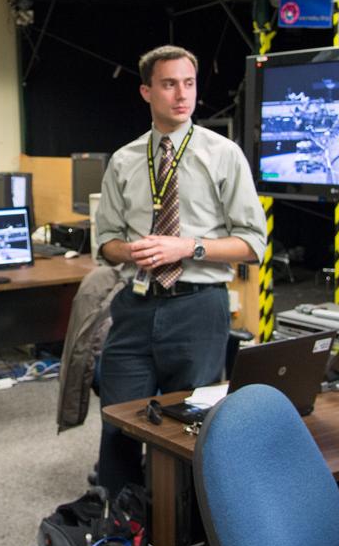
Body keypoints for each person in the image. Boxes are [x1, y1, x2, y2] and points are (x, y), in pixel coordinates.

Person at [93, 45, 265, 495]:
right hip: (135, 307)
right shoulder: (125, 160)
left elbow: (252, 244)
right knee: (119, 422)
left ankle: (181, 537)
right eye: (169, 84)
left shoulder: (223, 154)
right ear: (146, 91)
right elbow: (106, 243)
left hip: (198, 308)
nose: (181, 94)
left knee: (190, 428)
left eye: (188, 83)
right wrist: (134, 251)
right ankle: (120, 528)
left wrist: (188, 246)